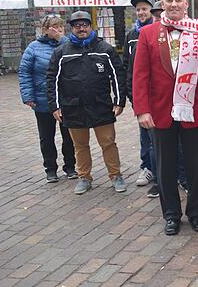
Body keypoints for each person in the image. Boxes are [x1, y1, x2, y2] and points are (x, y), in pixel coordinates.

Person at [132, 0, 198, 235]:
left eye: (177, 1)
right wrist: (142, 110)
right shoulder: (147, 33)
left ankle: (196, 212)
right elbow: (140, 75)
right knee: (165, 167)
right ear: (162, 5)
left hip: (194, 109)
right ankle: (171, 214)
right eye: (168, 1)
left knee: (195, 166)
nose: (173, 5)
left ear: (186, 4)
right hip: (160, 112)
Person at [46, 11, 127, 195]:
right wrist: (55, 106)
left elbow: (117, 75)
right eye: (77, 26)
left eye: (84, 25)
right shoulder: (61, 52)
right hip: (73, 107)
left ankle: (115, 175)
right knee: (80, 145)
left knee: (108, 143)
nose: (81, 28)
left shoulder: (105, 49)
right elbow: (52, 80)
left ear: (91, 26)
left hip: (101, 105)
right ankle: (84, 177)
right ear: (72, 28)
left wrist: (119, 101)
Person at [19, 14, 75, 183]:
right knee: (46, 136)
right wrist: (28, 96)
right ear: (44, 30)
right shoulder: (33, 48)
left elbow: (76, 57)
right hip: (43, 99)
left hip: (65, 99)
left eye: (60, 27)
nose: (58, 30)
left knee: (69, 135)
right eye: (54, 27)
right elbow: (25, 72)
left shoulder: (68, 44)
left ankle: (70, 166)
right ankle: (50, 169)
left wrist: (61, 38)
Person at [125, 0, 159, 197]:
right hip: (141, 96)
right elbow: (129, 69)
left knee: (158, 139)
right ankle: (146, 167)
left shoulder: (157, 32)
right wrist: (132, 97)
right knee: (144, 137)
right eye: (138, 10)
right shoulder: (132, 35)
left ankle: (161, 173)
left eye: (145, 9)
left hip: (158, 97)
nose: (141, 12)